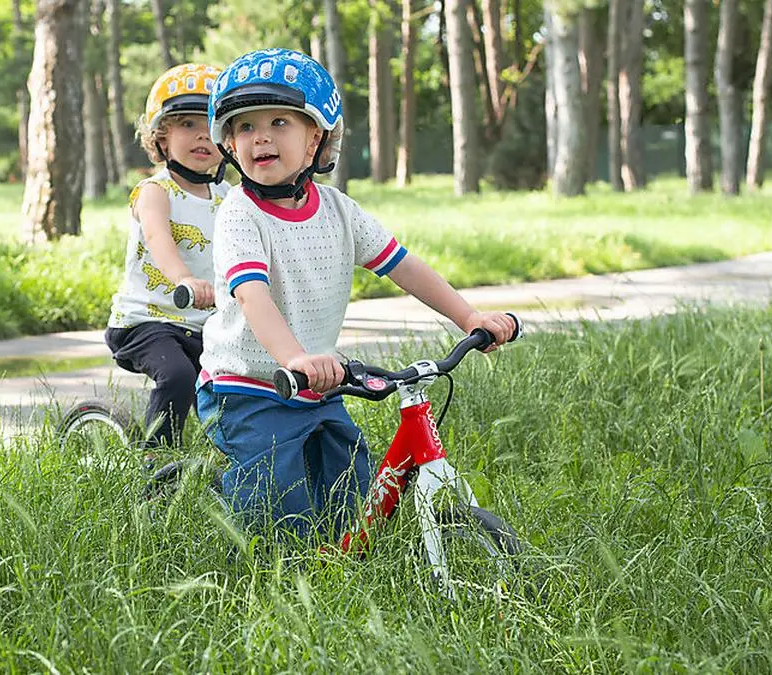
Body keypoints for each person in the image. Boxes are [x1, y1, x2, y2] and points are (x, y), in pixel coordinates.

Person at [197, 48, 517, 539]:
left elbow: (402, 264)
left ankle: (338, 553)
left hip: (318, 381)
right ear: (230, 145)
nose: (259, 135)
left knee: (350, 485)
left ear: (317, 142)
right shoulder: (241, 215)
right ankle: (243, 523)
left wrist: (468, 315)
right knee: (278, 512)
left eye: (280, 121)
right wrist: (295, 357)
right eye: (244, 127)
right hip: (246, 383)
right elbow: (252, 295)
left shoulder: (338, 210)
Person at [105, 63, 231, 451]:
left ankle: (234, 461)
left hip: (204, 323)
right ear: (161, 136)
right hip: (147, 320)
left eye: (210, 126)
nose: (201, 136)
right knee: (177, 376)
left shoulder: (229, 196)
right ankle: (157, 466)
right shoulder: (155, 192)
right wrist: (184, 279)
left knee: (238, 382)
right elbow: (159, 239)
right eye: (187, 124)